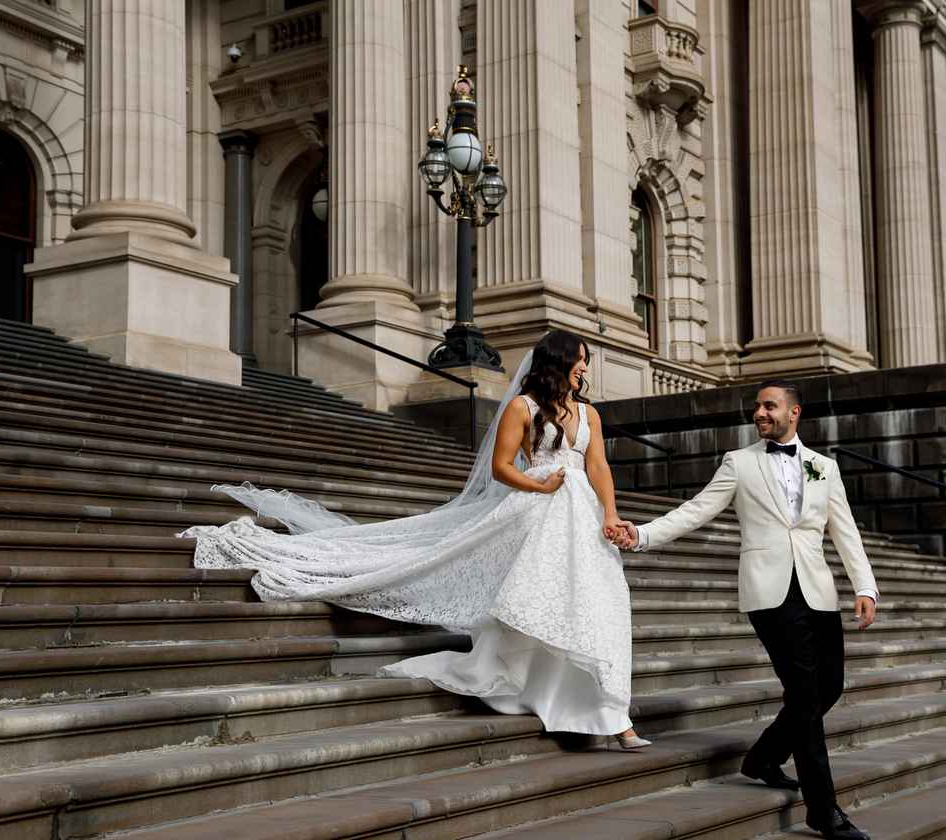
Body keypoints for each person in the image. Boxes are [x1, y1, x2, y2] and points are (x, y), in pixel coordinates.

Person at [182, 329, 650, 748]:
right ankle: (563, 700)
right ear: (560, 363)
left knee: (595, 604)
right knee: (539, 601)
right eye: (580, 359)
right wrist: (540, 484)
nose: (585, 368)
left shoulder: (589, 414)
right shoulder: (521, 407)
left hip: (581, 515)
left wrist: (610, 515)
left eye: (585, 361)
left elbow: (599, 468)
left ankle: (609, 713)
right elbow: (501, 467)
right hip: (536, 513)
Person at [614, 380, 877, 840]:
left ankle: (763, 758)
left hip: (816, 589)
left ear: (793, 413)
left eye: (769, 406)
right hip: (769, 593)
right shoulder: (740, 462)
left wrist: (865, 587)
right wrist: (644, 534)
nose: (760, 413)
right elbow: (697, 510)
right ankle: (822, 811)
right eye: (758, 406)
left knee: (828, 686)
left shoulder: (824, 468)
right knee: (805, 697)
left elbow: (845, 530)